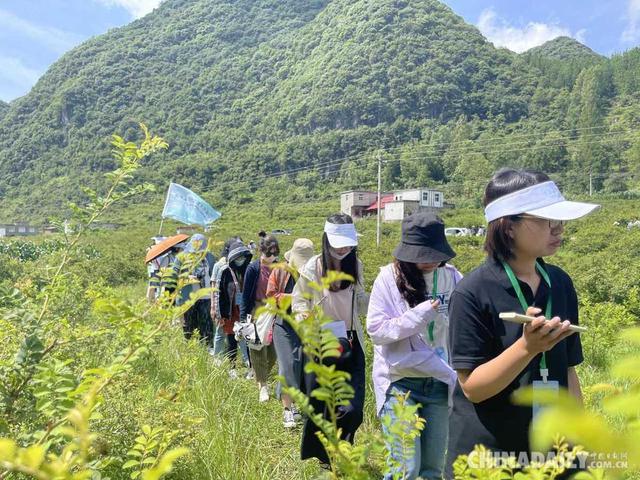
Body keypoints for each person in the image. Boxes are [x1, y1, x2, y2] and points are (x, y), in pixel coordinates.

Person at [445, 168, 599, 476]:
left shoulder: (559, 283)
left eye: (560, 220)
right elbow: (472, 387)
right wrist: (527, 348)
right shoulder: (472, 293)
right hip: (490, 456)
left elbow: (567, 370)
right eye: (545, 220)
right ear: (508, 226)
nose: (558, 229)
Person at [367, 212, 461, 480]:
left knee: (433, 469)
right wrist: (418, 316)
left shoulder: (452, 277)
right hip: (400, 385)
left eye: (434, 253)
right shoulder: (388, 278)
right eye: (423, 255)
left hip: (439, 383)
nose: (430, 261)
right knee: (405, 469)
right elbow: (377, 331)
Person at [292, 213, 368, 465]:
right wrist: (304, 316)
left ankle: (343, 446)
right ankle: (327, 458)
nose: (343, 248)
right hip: (321, 343)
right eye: (338, 243)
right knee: (321, 404)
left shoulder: (355, 266)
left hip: (350, 343)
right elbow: (299, 300)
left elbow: (361, 304)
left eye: (347, 242)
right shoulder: (313, 267)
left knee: (352, 408)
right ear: (326, 240)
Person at [267, 238, 315, 427]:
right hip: (283, 325)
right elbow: (270, 297)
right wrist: (294, 298)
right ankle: (287, 409)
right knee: (287, 365)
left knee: (303, 366)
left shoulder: (314, 273)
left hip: (306, 326)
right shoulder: (280, 271)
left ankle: (300, 405)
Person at [241, 235, 280, 402]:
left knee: (273, 352)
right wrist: (244, 318)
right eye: (266, 254)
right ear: (260, 252)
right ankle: (262, 386)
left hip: (276, 311)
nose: (269, 258)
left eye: (272, 254)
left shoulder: (280, 267)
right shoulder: (253, 268)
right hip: (258, 310)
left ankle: (261, 375)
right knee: (257, 348)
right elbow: (245, 295)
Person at [216, 240, 252, 379]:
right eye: (237, 258)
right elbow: (219, 293)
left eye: (242, 257)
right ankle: (232, 368)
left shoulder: (248, 269)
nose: (240, 260)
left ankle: (251, 368)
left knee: (249, 339)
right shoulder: (225, 271)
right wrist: (219, 314)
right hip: (231, 312)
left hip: (245, 311)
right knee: (231, 341)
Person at [173, 234, 216, 343]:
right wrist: (186, 278)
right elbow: (173, 276)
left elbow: (213, 275)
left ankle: (208, 346)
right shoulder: (181, 257)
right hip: (189, 296)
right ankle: (189, 346)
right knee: (189, 324)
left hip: (206, 295)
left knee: (206, 323)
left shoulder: (210, 257)